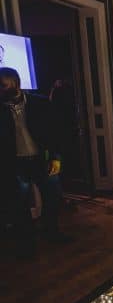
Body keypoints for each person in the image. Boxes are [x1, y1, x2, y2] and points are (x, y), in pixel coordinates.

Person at [0, 67, 70, 259]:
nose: (1, 90)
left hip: (41, 158)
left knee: (53, 198)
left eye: (4, 85)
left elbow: (55, 131)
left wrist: (56, 157)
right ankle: (27, 244)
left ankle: (51, 232)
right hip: (15, 163)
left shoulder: (39, 103)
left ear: (15, 83)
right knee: (20, 206)